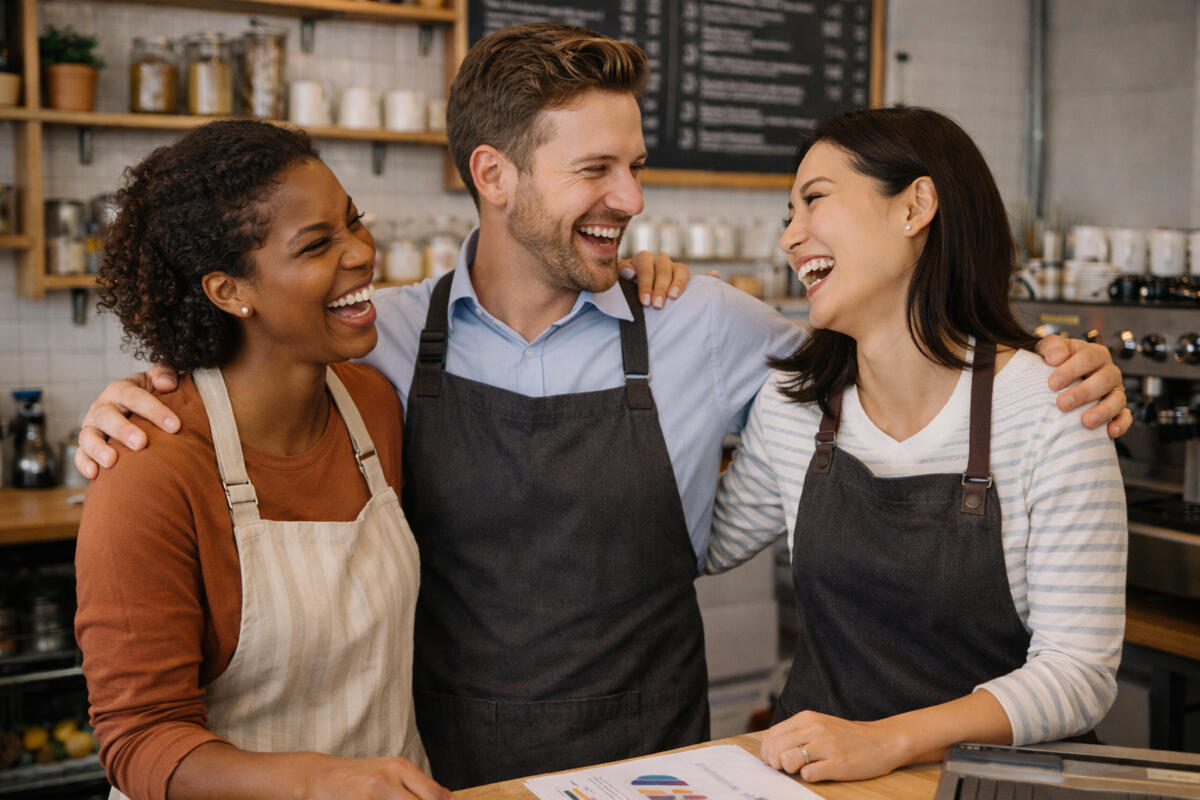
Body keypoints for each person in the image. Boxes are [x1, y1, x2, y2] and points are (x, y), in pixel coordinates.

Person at [76, 25, 1131, 789]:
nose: (631, 197)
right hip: (450, 773)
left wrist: (1051, 356)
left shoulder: (704, 321)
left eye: (635, 166)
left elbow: (892, 350)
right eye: (597, 168)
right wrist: (133, 401)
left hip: (658, 769)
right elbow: (243, 376)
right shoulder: (374, 340)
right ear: (495, 175)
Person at [705, 107, 1127, 784]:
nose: (789, 237)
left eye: (813, 200)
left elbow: (1078, 673)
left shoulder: (1052, 406)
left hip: (992, 784)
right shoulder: (794, 410)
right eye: (788, 214)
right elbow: (699, 545)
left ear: (916, 206)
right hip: (823, 779)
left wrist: (888, 741)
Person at [74, 120, 452, 800]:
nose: (363, 252)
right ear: (228, 291)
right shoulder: (149, 470)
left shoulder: (374, 407)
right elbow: (140, 740)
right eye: (317, 245)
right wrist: (320, 783)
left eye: (354, 223)